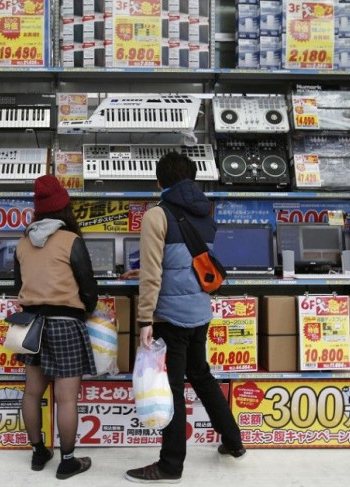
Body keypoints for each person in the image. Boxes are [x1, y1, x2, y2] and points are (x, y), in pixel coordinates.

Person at [125, 152, 246, 484]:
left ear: (160, 181)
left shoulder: (157, 214)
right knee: (202, 376)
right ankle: (233, 441)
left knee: (173, 389)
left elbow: (153, 274)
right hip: (199, 312)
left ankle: (170, 464)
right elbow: (185, 261)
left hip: (171, 317)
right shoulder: (205, 211)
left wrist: (145, 320)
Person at [13, 174, 98, 480]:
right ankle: (68, 460)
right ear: (64, 207)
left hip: (28, 323)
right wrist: (85, 310)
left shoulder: (22, 243)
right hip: (65, 322)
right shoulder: (71, 241)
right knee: (66, 398)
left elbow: (18, 286)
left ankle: (39, 452)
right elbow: (88, 287)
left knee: (32, 393)